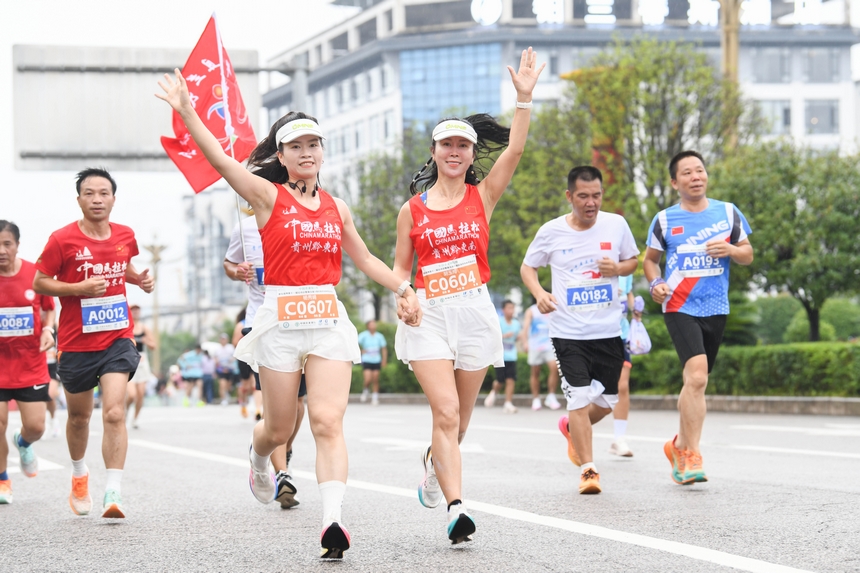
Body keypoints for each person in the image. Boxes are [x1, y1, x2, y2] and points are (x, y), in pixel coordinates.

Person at [157, 71, 421, 559]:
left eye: (313, 145)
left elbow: (364, 259)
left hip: (326, 318)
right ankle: (259, 457)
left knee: (327, 420)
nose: (306, 153)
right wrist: (188, 112)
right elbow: (221, 162)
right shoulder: (265, 195)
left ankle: (333, 521)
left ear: (322, 152)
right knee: (278, 429)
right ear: (280, 156)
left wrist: (404, 287)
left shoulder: (337, 207)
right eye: (295, 146)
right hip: (278, 318)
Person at [392, 48, 544, 543]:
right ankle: (457, 510)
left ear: (473, 154)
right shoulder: (412, 210)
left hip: (475, 311)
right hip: (430, 316)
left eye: (463, 145)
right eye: (446, 145)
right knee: (446, 413)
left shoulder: (484, 197)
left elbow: (515, 151)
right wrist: (403, 294)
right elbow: (400, 268)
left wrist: (524, 100)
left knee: (459, 423)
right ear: (434, 152)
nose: (454, 152)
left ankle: (435, 462)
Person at [33, 168, 154, 518]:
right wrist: (78, 288)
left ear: (113, 199)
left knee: (114, 411)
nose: (97, 199)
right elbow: (40, 282)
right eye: (89, 193)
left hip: (117, 337)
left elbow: (122, 266)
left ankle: (113, 492)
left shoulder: (125, 235)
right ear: (79, 200)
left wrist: (139, 280)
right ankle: (79, 474)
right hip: (76, 343)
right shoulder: (62, 240)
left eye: (104, 193)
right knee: (79, 418)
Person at [521, 166, 639, 495]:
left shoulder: (616, 225)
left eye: (597, 196)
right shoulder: (551, 232)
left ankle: (572, 428)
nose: (591, 203)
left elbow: (633, 261)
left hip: (608, 330)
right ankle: (589, 470)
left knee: (609, 400)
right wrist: (539, 293)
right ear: (569, 196)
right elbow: (528, 267)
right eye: (584, 196)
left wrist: (618, 268)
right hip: (567, 332)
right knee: (578, 396)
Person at [644, 150, 753, 485]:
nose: (695, 177)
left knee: (695, 382)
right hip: (679, 305)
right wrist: (656, 284)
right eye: (687, 173)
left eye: (700, 170)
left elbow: (747, 254)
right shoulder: (665, 220)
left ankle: (678, 445)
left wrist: (731, 250)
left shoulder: (728, 213)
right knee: (697, 377)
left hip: (716, 307)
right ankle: (692, 454)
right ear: (674, 182)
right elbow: (650, 261)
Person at [225, 216, 307, 509]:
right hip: (262, 324)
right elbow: (228, 264)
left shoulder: (300, 219)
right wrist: (237, 271)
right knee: (276, 406)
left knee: (297, 405)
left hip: (300, 318)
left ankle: (283, 449)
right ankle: (282, 472)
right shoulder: (244, 227)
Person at [0, 221, 56, 504]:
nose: (1, 250)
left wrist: (47, 329)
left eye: (6, 244)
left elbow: (49, 309)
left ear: (17, 245)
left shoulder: (35, 274)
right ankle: (2, 481)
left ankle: (23, 443)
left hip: (30, 364)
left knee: (36, 427)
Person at [518, 296, 561, 411]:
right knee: (535, 372)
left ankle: (551, 396)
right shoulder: (531, 310)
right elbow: (526, 327)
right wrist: (525, 343)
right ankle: (536, 399)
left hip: (549, 344)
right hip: (535, 345)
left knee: (554, 368)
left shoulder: (552, 308)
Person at [609, 274, 636, 457]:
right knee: (593, 391)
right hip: (596, 336)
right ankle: (575, 431)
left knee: (622, 387)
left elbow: (628, 293)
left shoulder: (626, 270)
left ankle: (619, 439)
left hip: (622, 336)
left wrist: (636, 310)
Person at [484, 300, 520, 413]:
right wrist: (504, 336)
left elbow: (517, 337)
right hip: (500, 356)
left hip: (511, 356)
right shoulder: (498, 322)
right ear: (503, 310)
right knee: (500, 381)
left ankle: (508, 403)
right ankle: (494, 391)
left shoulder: (516, 324)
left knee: (511, 379)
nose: (511, 311)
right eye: (509, 308)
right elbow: (493, 336)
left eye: (512, 308)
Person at [126, 304, 156, 428]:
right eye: (133, 310)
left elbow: (153, 346)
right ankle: (126, 411)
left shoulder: (144, 328)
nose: (135, 312)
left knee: (140, 393)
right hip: (129, 360)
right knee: (132, 394)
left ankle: (135, 418)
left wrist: (145, 341)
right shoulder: (126, 326)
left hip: (142, 362)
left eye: (137, 310)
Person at [357, 320, 387, 406]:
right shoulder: (363, 335)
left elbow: (384, 348)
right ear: (368, 326)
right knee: (368, 379)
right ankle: (365, 390)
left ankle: (375, 398)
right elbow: (355, 344)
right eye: (371, 324)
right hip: (367, 360)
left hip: (376, 360)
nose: (373, 326)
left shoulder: (379, 336)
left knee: (375, 379)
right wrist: (361, 351)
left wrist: (384, 360)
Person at [215, 333, 239, 411]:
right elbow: (215, 359)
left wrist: (230, 360)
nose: (223, 340)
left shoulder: (231, 348)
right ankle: (223, 399)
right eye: (222, 339)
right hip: (221, 370)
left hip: (230, 369)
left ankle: (227, 393)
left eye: (224, 339)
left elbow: (235, 356)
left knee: (228, 386)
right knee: (222, 384)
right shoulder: (217, 349)